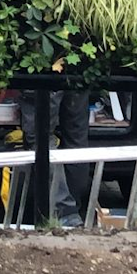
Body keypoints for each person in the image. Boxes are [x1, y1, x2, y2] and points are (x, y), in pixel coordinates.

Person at [20, 89, 92, 227]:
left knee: (40, 137)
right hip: (78, 71)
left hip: (44, 71)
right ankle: (73, 206)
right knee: (75, 136)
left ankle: (64, 210)